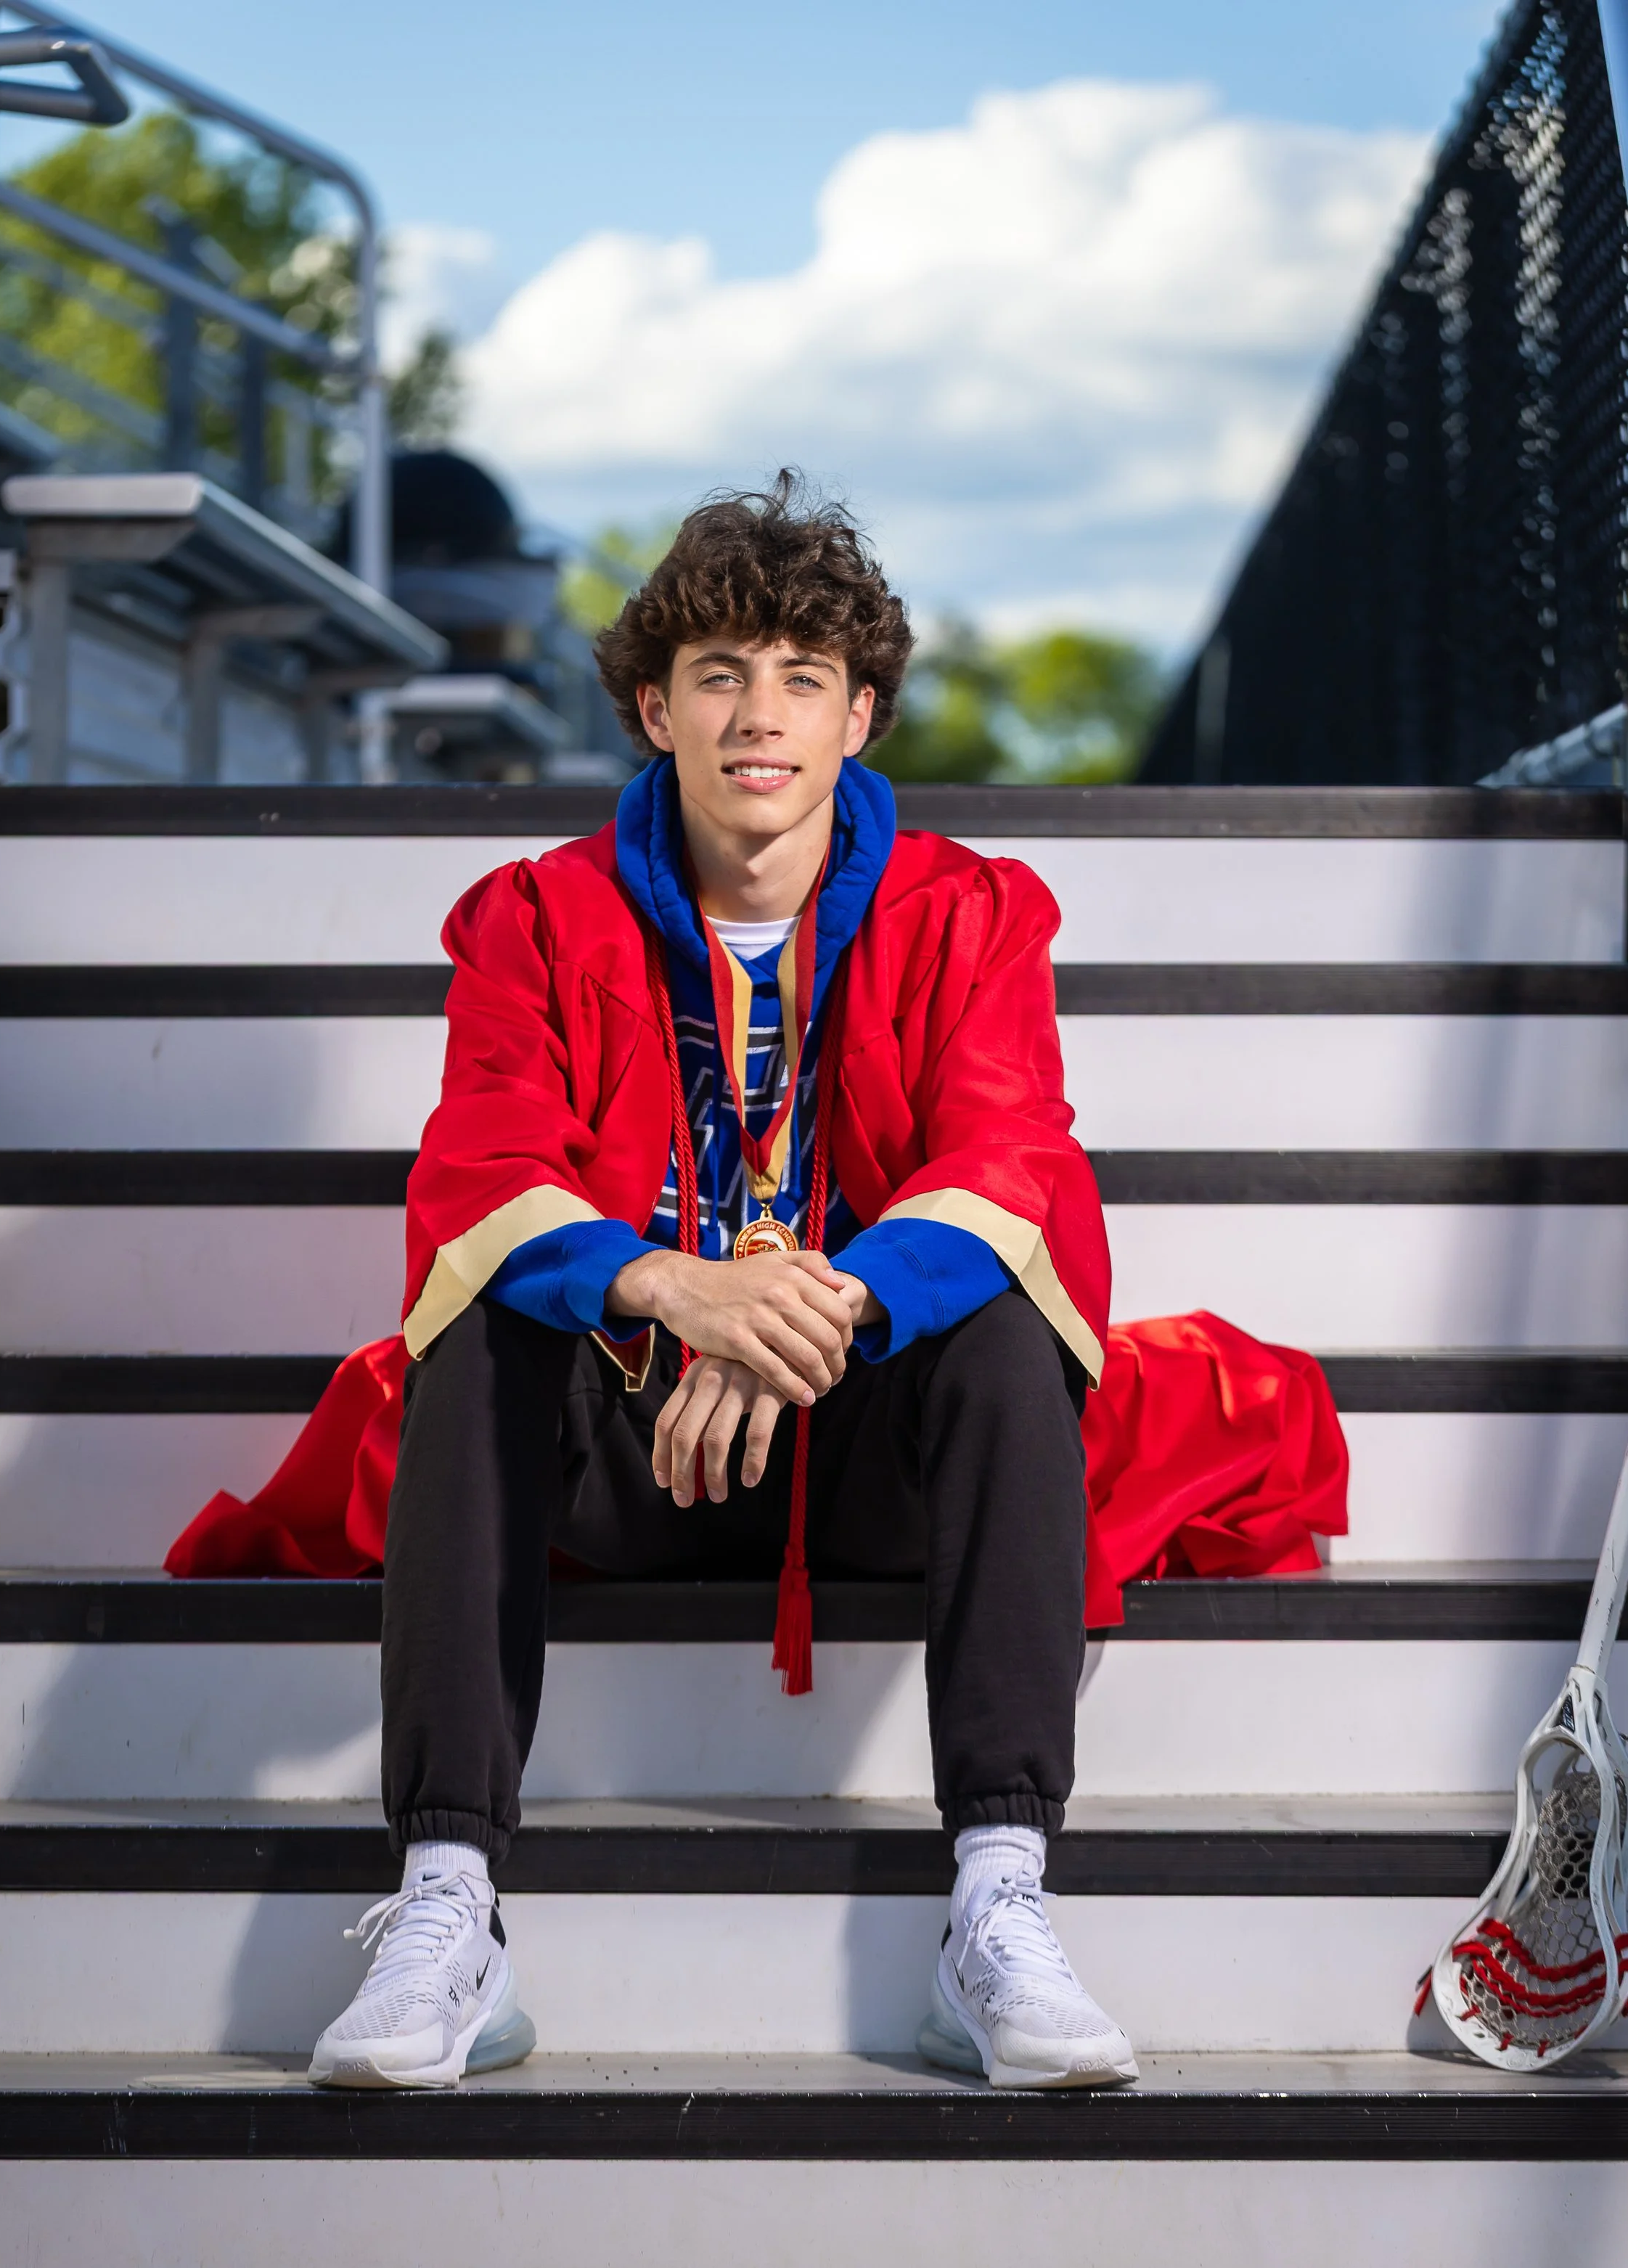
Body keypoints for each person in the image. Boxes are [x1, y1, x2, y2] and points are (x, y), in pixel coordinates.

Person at [308, 472, 1137, 2092]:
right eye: (718, 676)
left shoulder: (967, 911)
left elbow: (1010, 1159)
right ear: (653, 707)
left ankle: (998, 1899)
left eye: (802, 678)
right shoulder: (537, 918)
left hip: (868, 1453)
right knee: (477, 1325)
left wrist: (799, 1317)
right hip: (635, 1452)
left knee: (1000, 1329)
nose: (760, 716)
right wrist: (676, 1293)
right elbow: (480, 1163)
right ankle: (448, 1904)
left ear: (859, 715)